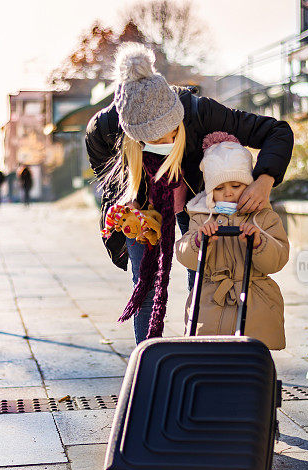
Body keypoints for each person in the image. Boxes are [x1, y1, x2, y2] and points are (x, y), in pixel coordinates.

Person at [85, 43, 293, 344]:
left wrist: (264, 180)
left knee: (204, 278)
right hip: (143, 210)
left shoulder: (200, 112)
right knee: (145, 285)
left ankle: (202, 350)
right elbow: (104, 173)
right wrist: (124, 198)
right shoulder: (104, 128)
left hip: (195, 203)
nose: (163, 143)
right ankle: (148, 359)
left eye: (169, 134)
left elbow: (277, 131)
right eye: (149, 140)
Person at [175, 132, 289, 350]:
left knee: (251, 354)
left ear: (249, 184)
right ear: (210, 192)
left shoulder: (263, 216)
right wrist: (199, 241)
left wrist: (259, 242)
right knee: (210, 353)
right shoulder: (201, 216)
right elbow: (184, 253)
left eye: (236, 186)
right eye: (219, 188)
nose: (228, 194)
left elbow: (278, 258)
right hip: (210, 298)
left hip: (255, 299)